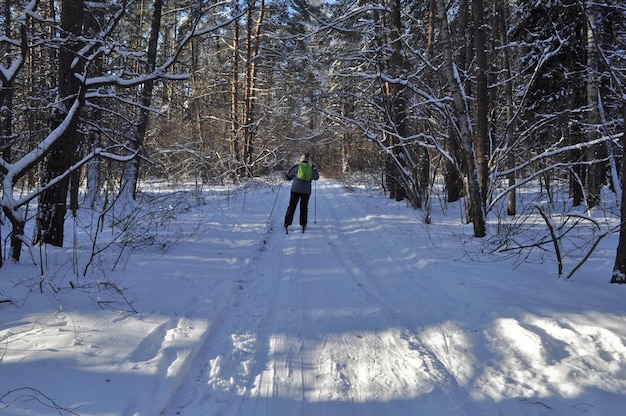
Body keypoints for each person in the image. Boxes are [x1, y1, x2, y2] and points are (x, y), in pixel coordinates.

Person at [283, 152, 319, 233]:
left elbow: (288, 177)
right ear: (308, 161)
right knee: (304, 207)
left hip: (295, 190)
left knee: (292, 206)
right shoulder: (310, 168)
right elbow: (316, 177)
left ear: (301, 160)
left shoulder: (297, 167)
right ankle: (303, 224)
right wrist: (315, 169)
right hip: (306, 191)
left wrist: (284, 175)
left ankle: (287, 223)